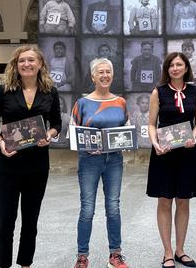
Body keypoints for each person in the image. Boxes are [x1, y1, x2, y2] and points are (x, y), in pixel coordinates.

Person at [0, 46, 62, 268]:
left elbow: (56, 123)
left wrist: (49, 134)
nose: (26, 64)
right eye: (21, 61)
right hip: (8, 164)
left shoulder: (50, 92)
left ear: (40, 64)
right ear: (15, 65)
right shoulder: (4, 91)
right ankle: (3, 264)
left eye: (31, 60)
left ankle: (25, 264)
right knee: (5, 222)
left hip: (37, 166)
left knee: (30, 222)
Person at [146, 52, 196, 268]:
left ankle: (180, 250)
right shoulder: (158, 92)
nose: (175, 68)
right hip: (164, 152)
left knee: (183, 200)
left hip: (188, 152)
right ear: (167, 69)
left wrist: (193, 136)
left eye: (179, 64)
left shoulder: (195, 91)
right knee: (164, 200)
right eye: (171, 65)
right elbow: (152, 124)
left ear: (187, 68)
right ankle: (168, 252)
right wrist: (155, 143)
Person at [71, 58, 130, 268]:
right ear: (93, 76)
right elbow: (73, 132)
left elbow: (127, 128)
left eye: (108, 72)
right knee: (87, 208)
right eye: (100, 72)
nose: (104, 75)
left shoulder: (121, 102)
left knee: (113, 207)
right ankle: (82, 256)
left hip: (114, 160)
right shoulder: (82, 103)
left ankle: (115, 254)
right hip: (89, 161)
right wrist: (85, 146)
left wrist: (124, 142)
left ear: (112, 75)